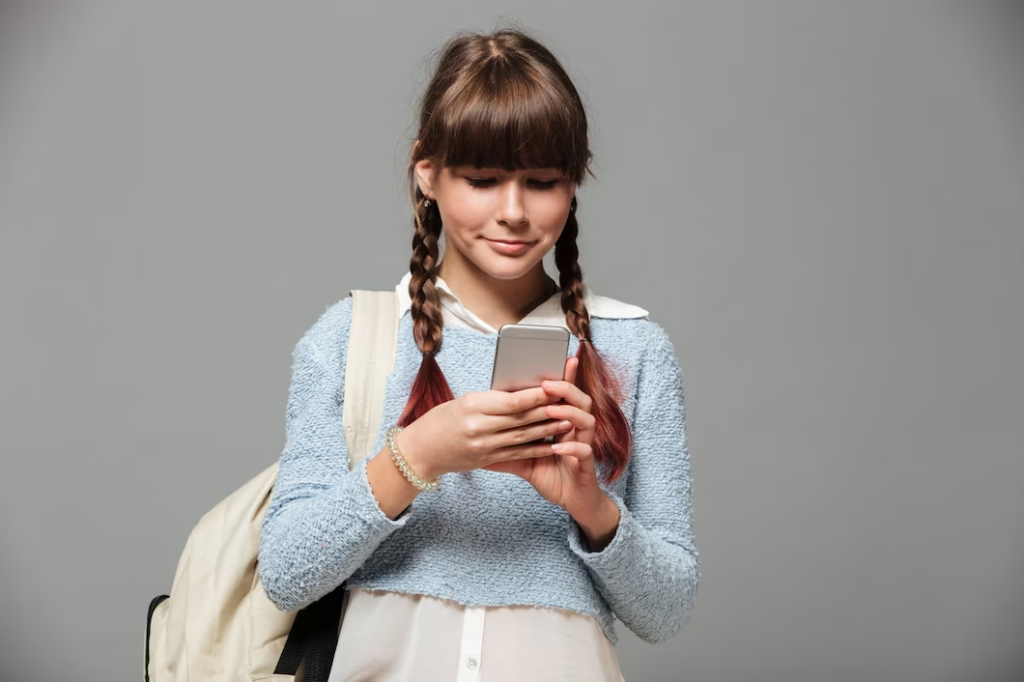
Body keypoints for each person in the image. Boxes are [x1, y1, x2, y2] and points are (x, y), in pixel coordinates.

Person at [258, 27, 699, 682]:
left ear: (573, 184)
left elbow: (668, 612)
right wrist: (418, 456)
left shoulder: (634, 350)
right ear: (427, 172)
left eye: (542, 181)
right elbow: (288, 573)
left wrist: (590, 506)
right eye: (483, 179)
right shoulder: (351, 337)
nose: (514, 211)